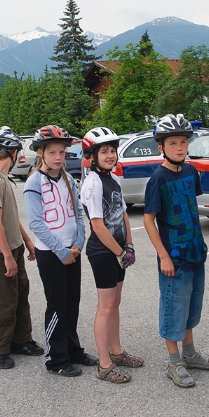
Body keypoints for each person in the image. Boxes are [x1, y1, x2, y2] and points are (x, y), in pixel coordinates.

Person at [143, 114, 209, 388]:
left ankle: (189, 354)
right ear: (161, 147)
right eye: (173, 142)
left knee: (190, 306)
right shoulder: (158, 178)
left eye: (184, 142)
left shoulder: (190, 171)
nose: (179, 147)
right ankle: (174, 361)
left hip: (195, 252)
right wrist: (164, 255)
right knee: (173, 307)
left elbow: (193, 207)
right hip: (173, 258)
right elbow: (148, 220)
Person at [24, 125, 97, 377]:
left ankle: (72, 349)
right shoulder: (34, 182)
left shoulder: (67, 178)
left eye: (62, 152)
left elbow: (78, 213)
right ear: (41, 153)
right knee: (56, 305)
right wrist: (61, 251)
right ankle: (55, 358)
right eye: (52, 152)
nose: (58, 157)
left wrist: (78, 243)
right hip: (51, 253)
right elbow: (36, 224)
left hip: (71, 250)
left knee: (72, 302)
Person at [80, 127, 143, 384]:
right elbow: (97, 225)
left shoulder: (113, 179)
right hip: (103, 252)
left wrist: (129, 244)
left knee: (115, 303)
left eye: (112, 150)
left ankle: (116, 352)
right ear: (92, 156)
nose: (110, 155)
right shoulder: (93, 183)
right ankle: (104, 364)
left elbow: (123, 214)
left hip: (118, 251)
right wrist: (119, 252)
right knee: (105, 306)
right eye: (103, 151)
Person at [0, 127, 44, 369]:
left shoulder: (3, 179)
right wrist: (7, 256)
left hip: (13, 246)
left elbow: (10, 217)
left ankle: (21, 340)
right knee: (4, 301)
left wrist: (26, 240)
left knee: (20, 295)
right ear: (13, 152)